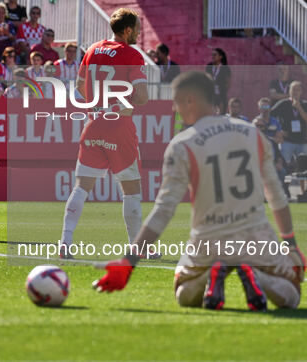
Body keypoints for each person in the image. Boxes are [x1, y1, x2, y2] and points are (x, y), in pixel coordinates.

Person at [93, 71, 305, 312]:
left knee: (183, 293)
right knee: (292, 295)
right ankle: (256, 275)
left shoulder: (182, 144)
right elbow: (276, 196)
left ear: (190, 100)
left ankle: (213, 275)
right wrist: (290, 243)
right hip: (255, 237)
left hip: (208, 240)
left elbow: (164, 210)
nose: (175, 108)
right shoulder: (252, 133)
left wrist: (129, 262)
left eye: (176, 101)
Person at [59, 8, 149, 258]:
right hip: (119, 126)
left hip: (94, 123)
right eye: (138, 29)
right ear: (128, 30)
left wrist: (100, 105)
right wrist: (123, 101)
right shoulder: (132, 55)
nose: (139, 33)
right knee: (131, 190)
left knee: (81, 188)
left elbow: (79, 88)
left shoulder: (92, 50)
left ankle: (65, 243)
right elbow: (141, 97)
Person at [271, 80, 307, 168]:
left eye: (298, 90)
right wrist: (278, 130)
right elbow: (270, 116)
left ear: (301, 92)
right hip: (287, 141)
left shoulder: (305, 104)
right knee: (283, 166)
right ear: (289, 91)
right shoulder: (283, 103)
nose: (295, 92)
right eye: (293, 89)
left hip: (302, 141)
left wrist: (299, 107)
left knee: (304, 168)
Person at [205, 48, 231, 115]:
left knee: (220, 114)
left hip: (221, 95)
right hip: (210, 94)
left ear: (220, 56)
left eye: (215, 55)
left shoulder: (225, 68)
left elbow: (228, 83)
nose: (212, 56)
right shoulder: (209, 66)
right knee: (210, 114)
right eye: (212, 55)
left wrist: (222, 92)